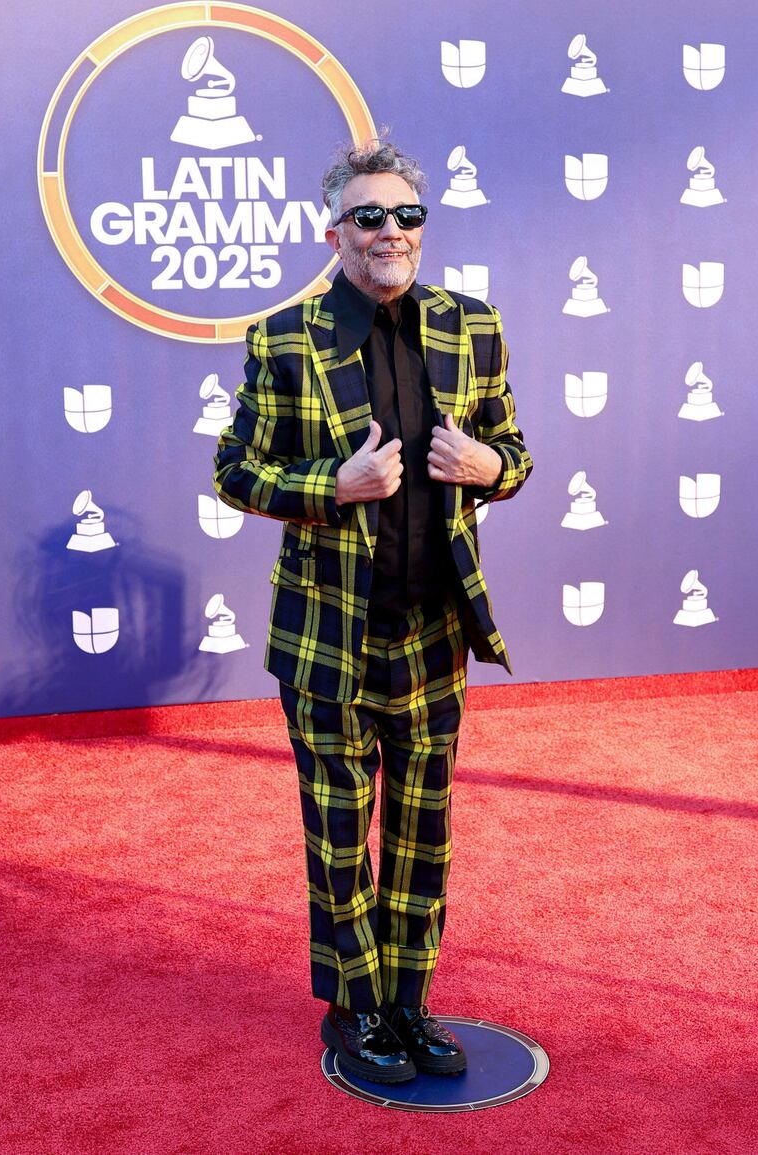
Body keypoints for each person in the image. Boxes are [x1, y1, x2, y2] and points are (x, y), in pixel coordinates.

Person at [214, 139, 533, 1084]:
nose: (389, 231)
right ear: (335, 233)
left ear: (422, 230)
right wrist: (332, 484)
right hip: (327, 639)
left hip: (436, 634)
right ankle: (355, 1011)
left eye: (406, 215)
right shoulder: (283, 336)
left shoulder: (474, 327)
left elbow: (511, 446)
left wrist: (494, 469)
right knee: (341, 829)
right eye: (368, 216)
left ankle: (410, 1001)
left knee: (424, 829)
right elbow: (235, 471)